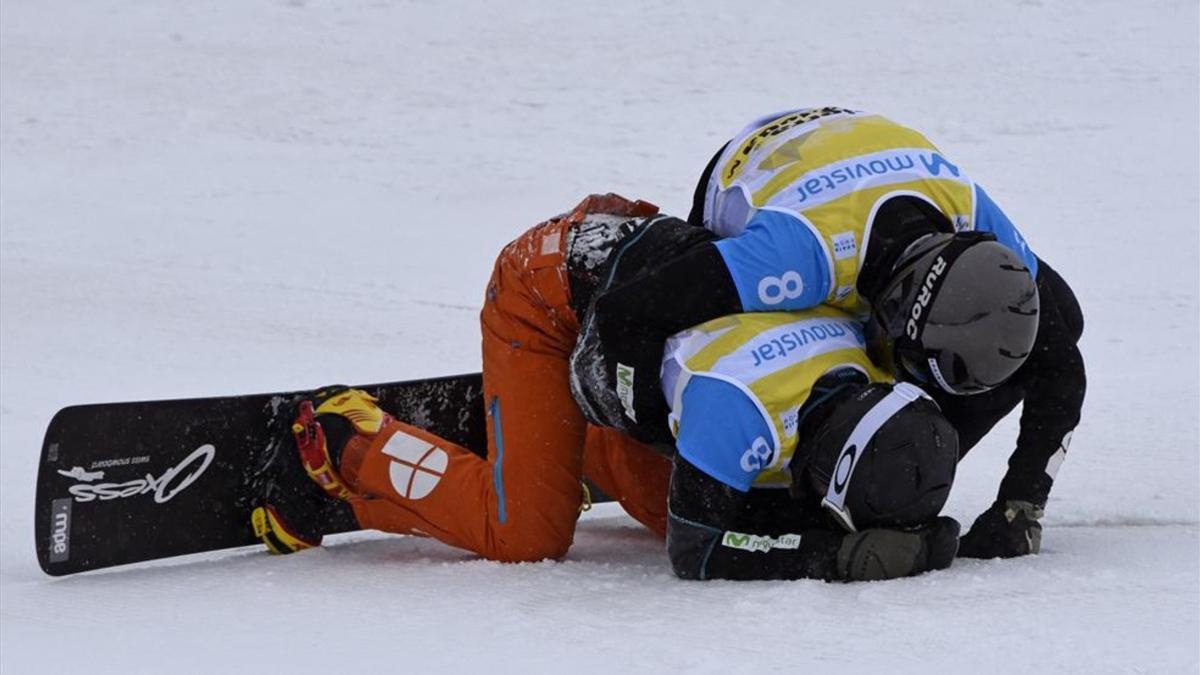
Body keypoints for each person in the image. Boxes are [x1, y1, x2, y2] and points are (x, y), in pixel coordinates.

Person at [250, 193, 961, 581]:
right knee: (528, 533)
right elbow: (703, 549)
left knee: (661, 498)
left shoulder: (873, 353)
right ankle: (341, 440)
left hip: (631, 274)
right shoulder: (733, 400)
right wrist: (834, 558)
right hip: (545, 296)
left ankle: (554, 445)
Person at [578, 108, 1086, 560]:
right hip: (761, 166)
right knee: (748, 377)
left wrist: (1020, 505)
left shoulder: (979, 223)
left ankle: (889, 455)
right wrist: (660, 434)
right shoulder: (791, 259)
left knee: (1055, 324)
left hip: (865, 157)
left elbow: (1061, 358)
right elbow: (628, 315)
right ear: (884, 314)